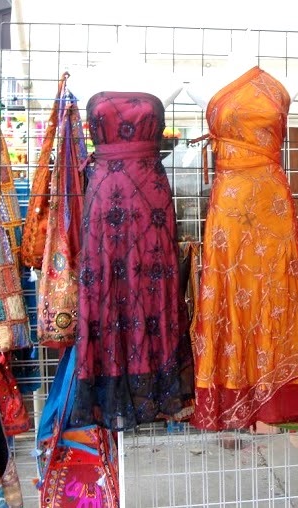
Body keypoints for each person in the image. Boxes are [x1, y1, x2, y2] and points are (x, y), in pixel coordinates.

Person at [186, 30, 298, 431]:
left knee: (274, 290)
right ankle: (232, 391)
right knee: (231, 291)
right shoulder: (204, 84)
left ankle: (276, 395)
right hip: (229, 203)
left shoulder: (283, 85)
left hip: (271, 204)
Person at [66, 45, 194, 430]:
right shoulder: (84, 79)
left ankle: (154, 387)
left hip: (150, 197)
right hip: (104, 198)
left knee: (152, 286)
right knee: (106, 284)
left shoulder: (167, 81)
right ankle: (111, 391)